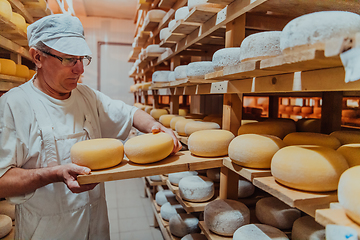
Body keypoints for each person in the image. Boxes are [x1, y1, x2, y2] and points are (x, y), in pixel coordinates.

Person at [0, 14, 182, 239]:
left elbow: (130, 113)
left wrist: (156, 127)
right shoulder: (14, 105)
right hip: (47, 231)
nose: (79, 70)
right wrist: (53, 174)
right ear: (37, 57)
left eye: (82, 59)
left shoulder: (86, 96)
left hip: (96, 226)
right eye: (68, 59)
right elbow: (2, 181)